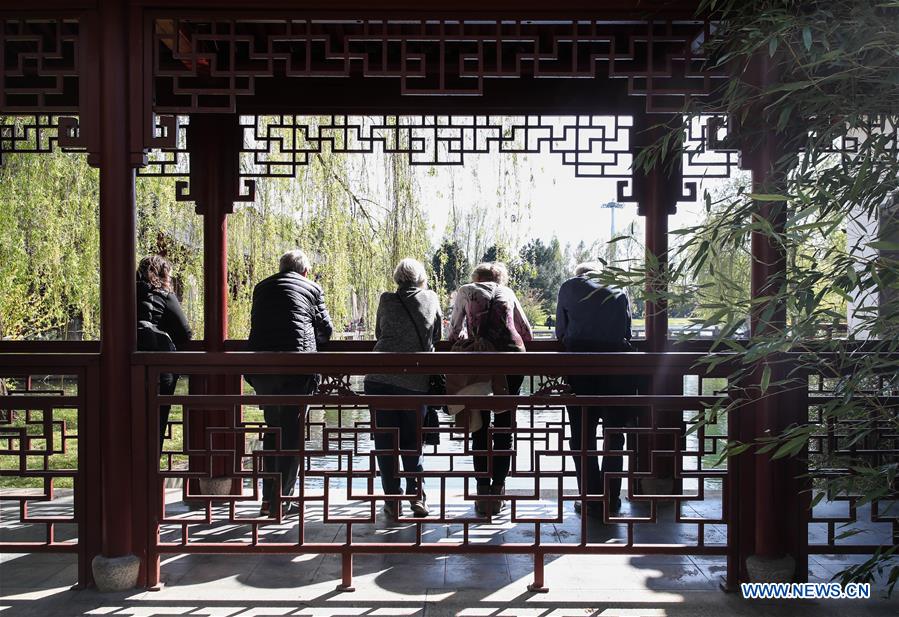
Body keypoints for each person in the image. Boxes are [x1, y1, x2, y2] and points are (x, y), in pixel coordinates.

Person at [247, 249, 334, 517]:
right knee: (292, 435)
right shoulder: (312, 288)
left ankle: (268, 499)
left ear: (281, 268)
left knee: (273, 432)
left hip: (263, 371)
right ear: (304, 271)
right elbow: (326, 330)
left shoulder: (261, 287)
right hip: (297, 371)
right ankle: (283, 500)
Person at [448, 262, 532, 516]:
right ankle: (499, 490)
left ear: (476, 277)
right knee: (505, 426)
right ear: (500, 278)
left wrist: (464, 338)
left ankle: (483, 492)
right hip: (512, 363)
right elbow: (527, 332)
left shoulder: (467, 291)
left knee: (479, 426)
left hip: (481, 361)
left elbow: (453, 331)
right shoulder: (508, 293)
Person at [364, 258, 442, 520]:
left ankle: (392, 500)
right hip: (415, 381)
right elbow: (437, 337)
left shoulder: (386, 299)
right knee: (412, 441)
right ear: (420, 277)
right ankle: (417, 497)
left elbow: (379, 333)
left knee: (385, 442)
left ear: (397, 278)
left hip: (379, 379)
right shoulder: (431, 298)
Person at [555, 262, 634, 516]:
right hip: (617, 369)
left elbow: (560, 332)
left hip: (580, 368)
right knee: (614, 433)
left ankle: (590, 498)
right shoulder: (619, 287)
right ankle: (611, 497)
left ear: (580, 275)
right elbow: (627, 332)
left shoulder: (568, 287)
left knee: (581, 434)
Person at [136, 255, 193, 450]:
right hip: (159, 365)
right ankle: (151, 467)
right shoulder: (163, 294)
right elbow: (185, 332)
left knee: (128, 416)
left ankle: (127, 468)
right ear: (163, 275)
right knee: (157, 418)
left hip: (126, 363)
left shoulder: (127, 292)